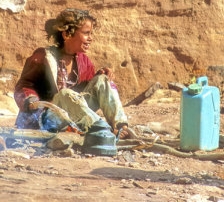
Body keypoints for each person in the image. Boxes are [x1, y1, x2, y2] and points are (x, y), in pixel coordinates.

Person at [14, 8, 134, 139]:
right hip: (47, 117)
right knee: (65, 94)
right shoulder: (43, 57)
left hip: (74, 117)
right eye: (86, 33)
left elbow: (88, 90)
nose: (90, 38)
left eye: (91, 33)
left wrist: (100, 76)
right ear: (66, 35)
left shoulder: (84, 60)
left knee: (103, 80)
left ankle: (120, 126)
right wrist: (30, 99)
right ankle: (102, 129)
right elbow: (24, 85)